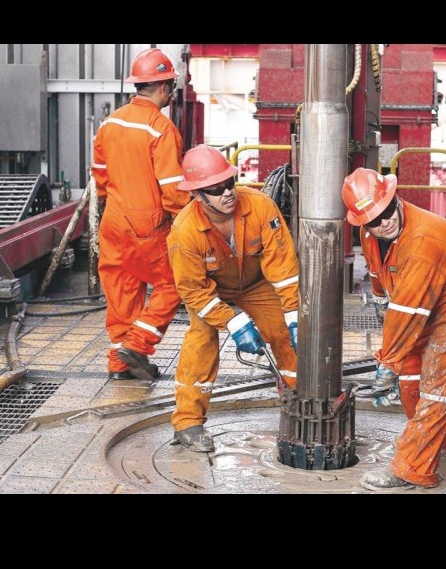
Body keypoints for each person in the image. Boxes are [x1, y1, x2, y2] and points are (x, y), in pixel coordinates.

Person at [341, 167, 446, 490]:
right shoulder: (371, 234)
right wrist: (380, 301)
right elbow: (378, 272)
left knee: (438, 385)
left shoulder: (421, 241)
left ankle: (412, 469)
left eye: (387, 210)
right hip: (431, 296)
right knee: (411, 376)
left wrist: (388, 362)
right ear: (362, 223)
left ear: (395, 198)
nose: (384, 221)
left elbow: (408, 311)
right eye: (374, 219)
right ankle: (443, 445)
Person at [166, 145, 300, 452]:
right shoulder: (184, 232)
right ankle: (187, 423)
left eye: (229, 183)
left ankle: (296, 401)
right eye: (216, 189)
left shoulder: (260, 206)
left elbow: (283, 266)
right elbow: (193, 290)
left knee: (284, 332)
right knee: (201, 340)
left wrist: (293, 313)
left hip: (255, 283)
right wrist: (234, 323)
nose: (227, 193)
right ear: (196, 194)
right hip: (210, 291)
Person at [91, 48, 191, 380]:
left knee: (122, 288)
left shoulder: (110, 123)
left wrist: (111, 203)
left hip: (113, 220)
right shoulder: (161, 128)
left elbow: (99, 175)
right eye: (171, 86)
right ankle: (138, 345)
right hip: (148, 224)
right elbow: (173, 189)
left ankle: (119, 364)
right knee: (174, 282)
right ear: (163, 87)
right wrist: (189, 221)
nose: (171, 92)